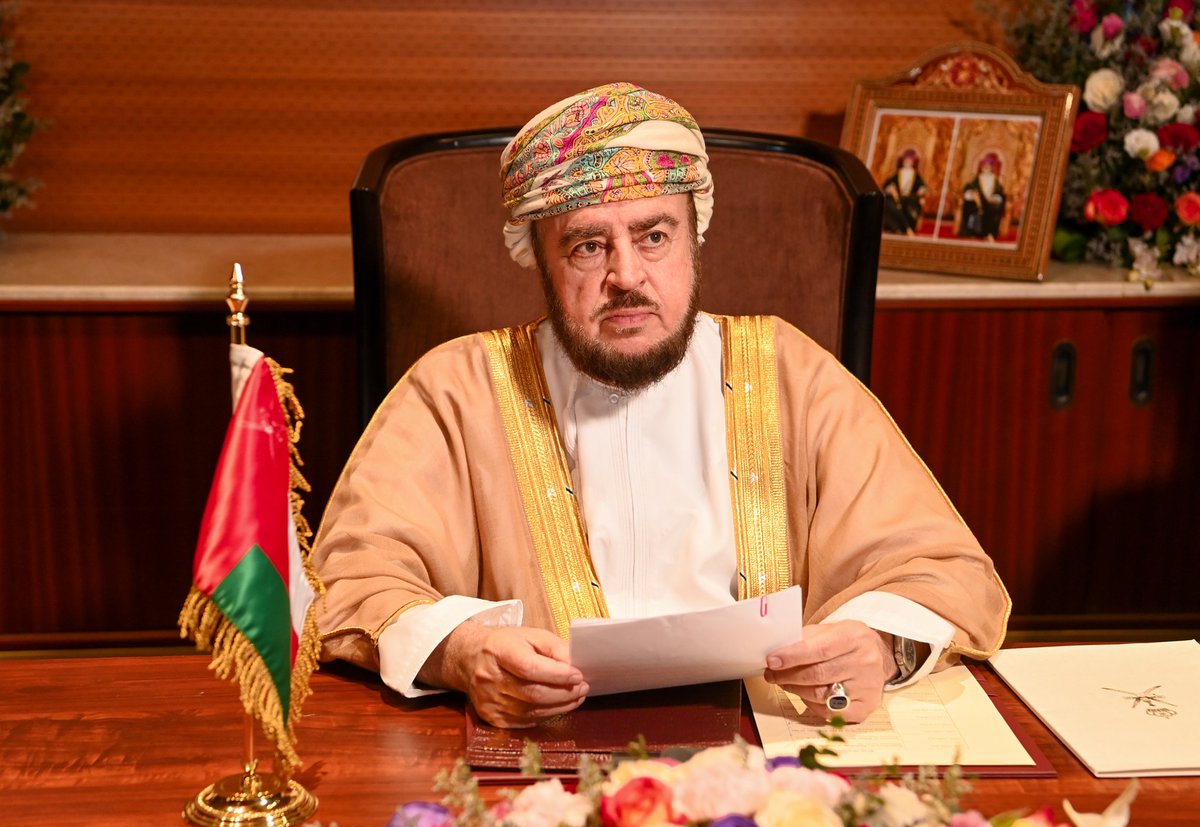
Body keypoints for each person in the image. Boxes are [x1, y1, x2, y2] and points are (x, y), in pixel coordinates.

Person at [313, 82, 1010, 730]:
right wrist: (461, 652)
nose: (627, 276)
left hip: (768, 750)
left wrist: (877, 645)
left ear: (693, 235)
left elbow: (942, 569)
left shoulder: (790, 374)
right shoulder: (456, 390)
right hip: (539, 747)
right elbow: (349, 579)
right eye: (589, 246)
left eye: (653, 236)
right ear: (540, 261)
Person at [958, 152, 1007, 240]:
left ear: (991, 168)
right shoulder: (977, 178)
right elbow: (968, 189)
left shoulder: (995, 180)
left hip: (990, 204)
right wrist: (971, 195)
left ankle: (989, 234)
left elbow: (1000, 193)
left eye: (988, 166)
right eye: (984, 166)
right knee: (970, 206)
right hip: (978, 203)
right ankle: (973, 233)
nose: (986, 168)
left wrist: (996, 198)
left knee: (995, 209)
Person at [881, 149, 928, 236]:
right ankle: (895, 227)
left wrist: (922, 189)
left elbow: (922, 186)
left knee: (910, 205)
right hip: (897, 198)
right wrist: (890, 189)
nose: (907, 162)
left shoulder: (915, 175)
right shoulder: (897, 173)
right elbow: (886, 185)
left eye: (909, 161)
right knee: (890, 204)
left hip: (910, 198)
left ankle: (908, 227)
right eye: (906, 160)